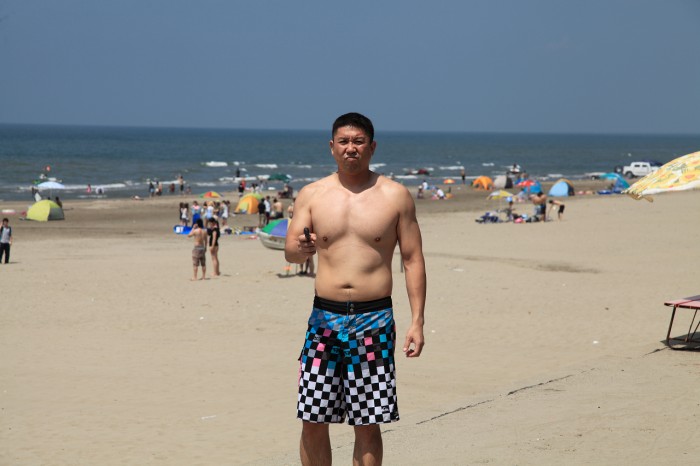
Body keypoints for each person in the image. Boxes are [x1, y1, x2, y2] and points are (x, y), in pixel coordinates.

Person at [285, 112, 426, 466]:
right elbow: (290, 250)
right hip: (324, 320)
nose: (351, 148)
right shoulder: (312, 195)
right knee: (312, 418)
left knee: (367, 422)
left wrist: (418, 321)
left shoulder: (395, 196)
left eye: (359, 141)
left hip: (374, 320)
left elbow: (412, 259)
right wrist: (300, 250)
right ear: (332, 147)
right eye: (344, 141)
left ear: (372, 147)